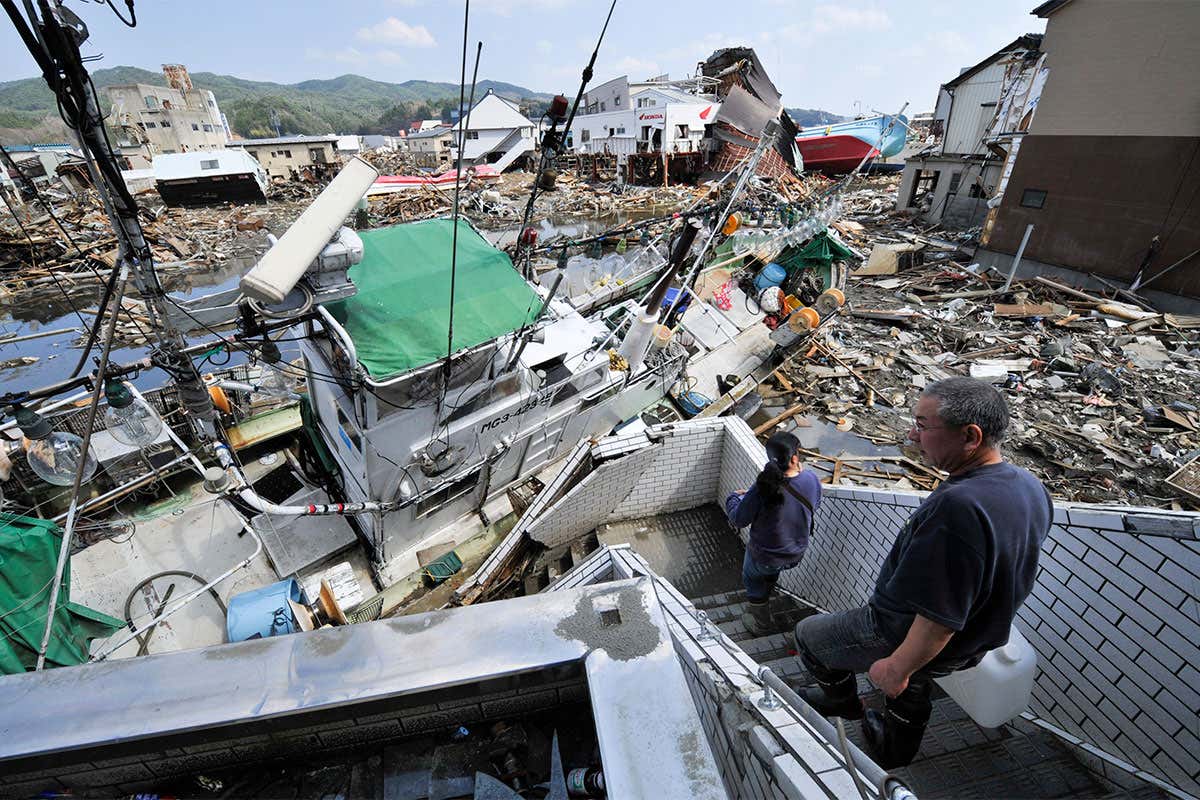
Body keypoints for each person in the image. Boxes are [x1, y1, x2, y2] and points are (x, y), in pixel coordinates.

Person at [793, 377, 1052, 768]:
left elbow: (940, 618)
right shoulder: (1030, 486)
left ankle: (841, 702)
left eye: (922, 425)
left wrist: (897, 666)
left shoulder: (959, 507)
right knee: (914, 682)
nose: (912, 436)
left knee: (809, 637)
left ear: (970, 436)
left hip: (899, 631)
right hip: (976, 640)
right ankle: (894, 750)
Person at [725, 431, 821, 636]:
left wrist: (733, 497)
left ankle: (761, 624)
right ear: (794, 459)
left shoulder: (763, 488)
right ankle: (769, 586)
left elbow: (738, 519)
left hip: (765, 556)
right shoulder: (811, 479)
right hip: (795, 553)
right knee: (769, 573)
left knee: (753, 581)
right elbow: (811, 504)